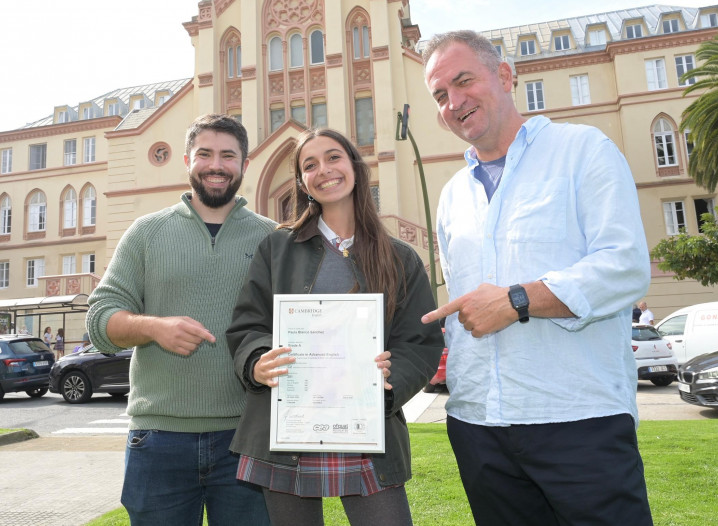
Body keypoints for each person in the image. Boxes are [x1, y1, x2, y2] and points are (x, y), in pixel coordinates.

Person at [421, 30, 653, 526]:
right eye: (440, 95)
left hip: (578, 419)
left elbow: (626, 264)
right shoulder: (452, 196)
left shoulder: (582, 150)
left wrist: (518, 300)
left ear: (504, 76)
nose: (454, 102)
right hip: (478, 424)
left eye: (464, 82)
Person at [226, 128, 444, 526]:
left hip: (366, 428)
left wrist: (393, 379)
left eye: (333, 158)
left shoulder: (399, 257)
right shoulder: (276, 249)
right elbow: (248, 325)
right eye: (309, 165)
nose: (323, 170)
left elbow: (419, 342)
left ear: (355, 168)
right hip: (288, 431)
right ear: (302, 182)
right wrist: (257, 361)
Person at [87, 113, 275, 526]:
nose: (216, 165)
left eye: (229, 155)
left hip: (248, 438)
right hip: (158, 440)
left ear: (244, 165)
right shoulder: (146, 233)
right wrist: (153, 328)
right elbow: (99, 321)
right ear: (188, 160)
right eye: (205, 153)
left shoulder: (272, 238)